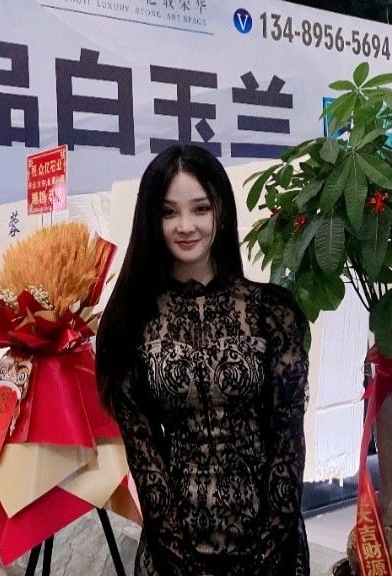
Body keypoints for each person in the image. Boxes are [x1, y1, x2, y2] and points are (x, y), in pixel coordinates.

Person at [96, 144, 310, 575]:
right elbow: (145, 457)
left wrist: (267, 555)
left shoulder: (273, 312)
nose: (185, 226)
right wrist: (180, 563)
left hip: (269, 544)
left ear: (221, 212)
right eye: (169, 212)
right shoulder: (130, 323)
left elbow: (287, 442)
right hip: (174, 547)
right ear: (151, 220)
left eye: (200, 208)